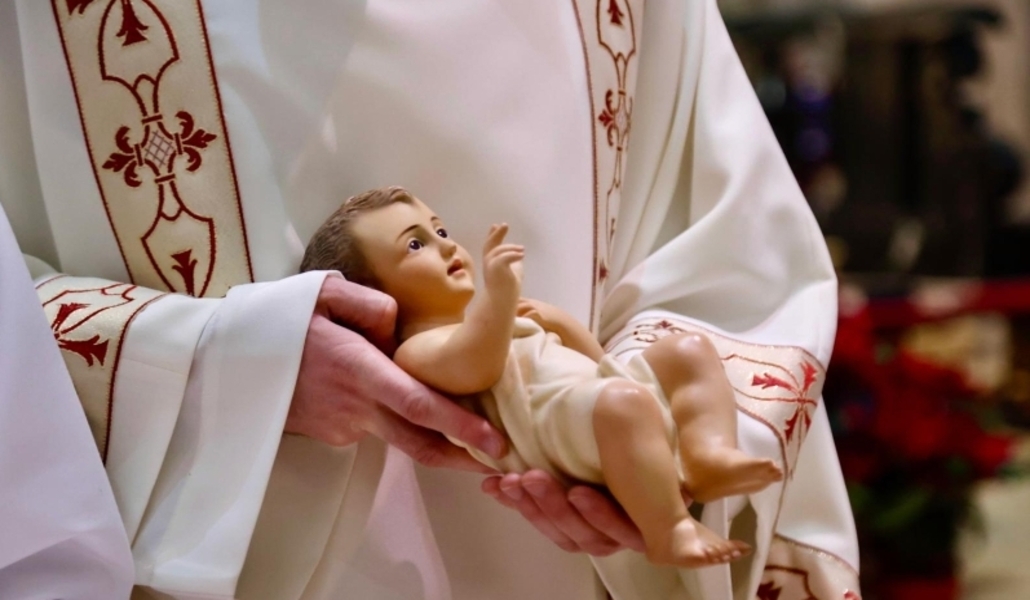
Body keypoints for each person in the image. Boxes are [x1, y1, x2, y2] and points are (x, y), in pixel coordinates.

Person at [0, 0, 860, 599]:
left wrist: (644, 451)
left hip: (574, 553)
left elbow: (733, 245)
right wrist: (227, 367)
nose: (446, 247)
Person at [302, 186, 790, 567]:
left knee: (687, 351)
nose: (446, 246)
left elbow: (593, 359)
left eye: (440, 231)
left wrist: (559, 324)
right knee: (622, 404)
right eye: (415, 245)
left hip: (588, 399)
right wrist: (499, 295)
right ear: (376, 297)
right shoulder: (418, 351)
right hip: (553, 427)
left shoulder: (498, 321)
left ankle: (707, 454)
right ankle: (670, 531)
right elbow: (477, 363)